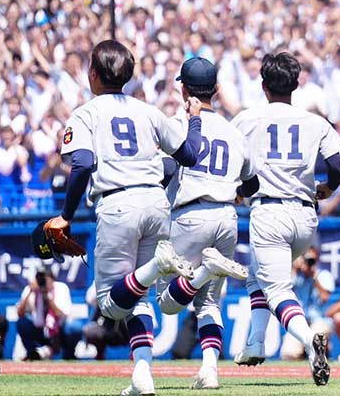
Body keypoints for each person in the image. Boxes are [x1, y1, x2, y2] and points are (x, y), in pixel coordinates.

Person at [44, 39, 204, 396]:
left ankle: (152, 269)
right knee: (140, 300)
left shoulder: (86, 113)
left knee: (110, 305)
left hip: (117, 203)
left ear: (93, 74)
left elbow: (82, 163)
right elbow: (190, 155)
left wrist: (65, 215)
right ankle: (142, 376)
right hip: (155, 201)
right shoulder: (148, 111)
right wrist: (194, 121)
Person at [231, 51, 340, 386]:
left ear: (263, 85)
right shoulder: (315, 121)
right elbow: (337, 168)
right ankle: (255, 342)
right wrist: (325, 188)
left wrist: (238, 189)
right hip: (305, 215)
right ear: (295, 85)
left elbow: (234, 165)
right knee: (258, 275)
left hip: (270, 211)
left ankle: (309, 341)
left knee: (278, 289)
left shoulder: (246, 119)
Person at [156, 57, 255, 390]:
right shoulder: (233, 130)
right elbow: (253, 183)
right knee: (210, 303)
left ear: (183, 88)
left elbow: (163, 169)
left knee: (167, 303)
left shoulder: (178, 121)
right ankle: (210, 369)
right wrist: (238, 192)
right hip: (227, 215)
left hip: (189, 213)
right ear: (217, 89)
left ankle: (205, 271)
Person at [15, 267, 79, 360]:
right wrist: (29, 292)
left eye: (45, 279)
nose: (43, 282)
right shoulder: (31, 289)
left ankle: (69, 354)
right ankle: (32, 354)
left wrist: (47, 295)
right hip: (39, 329)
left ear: (52, 279)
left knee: (74, 327)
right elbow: (20, 313)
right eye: (40, 279)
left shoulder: (61, 288)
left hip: (59, 330)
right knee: (22, 323)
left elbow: (59, 314)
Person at [283, 247, 334, 360]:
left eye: (312, 260)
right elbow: (285, 290)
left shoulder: (323, 275)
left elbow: (325, 297)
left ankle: (324, 353)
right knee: (289, 353)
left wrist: (313, 277)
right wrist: (294, 269)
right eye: (307, 259)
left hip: (319, 320)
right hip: (300, 320)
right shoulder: (297, 276)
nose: (309, 262)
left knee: (315, 341)